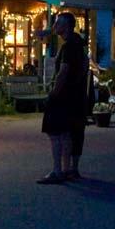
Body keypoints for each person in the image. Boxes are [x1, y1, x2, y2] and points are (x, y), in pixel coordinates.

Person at [37, 12, 88, 184]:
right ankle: (68, 169)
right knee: (67, 133)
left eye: (57, 23)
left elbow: (63, 72)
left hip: (63, 95)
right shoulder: (79, 44)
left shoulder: (68, 47)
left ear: (65, 26)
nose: (55, 25)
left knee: (55, 133)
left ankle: (57, 170)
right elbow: (84, 68)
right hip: (75, 95)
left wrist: (54, 94)